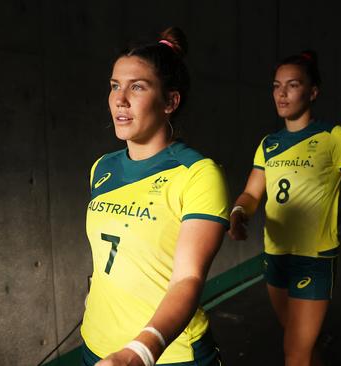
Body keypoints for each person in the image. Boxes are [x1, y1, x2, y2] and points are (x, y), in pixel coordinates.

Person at [228, 50, 341, 366]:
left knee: (294, 353)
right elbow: (252, 194)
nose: (282, 93)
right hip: (276, 255)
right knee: (302, 346)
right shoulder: (269, 144)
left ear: (313, 92)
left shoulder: (335, 138)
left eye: (292, 85)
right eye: (276, 85)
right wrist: (239, 213)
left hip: (314, 258)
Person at [81, 27, 229, 366]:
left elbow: (188, 278)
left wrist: (140, 352)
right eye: (115, 86)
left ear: (170, 102)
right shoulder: (101, 168)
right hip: (97, 347)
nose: (120, 98)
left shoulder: (198, 174)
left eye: (137, 87)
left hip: (163, 355)